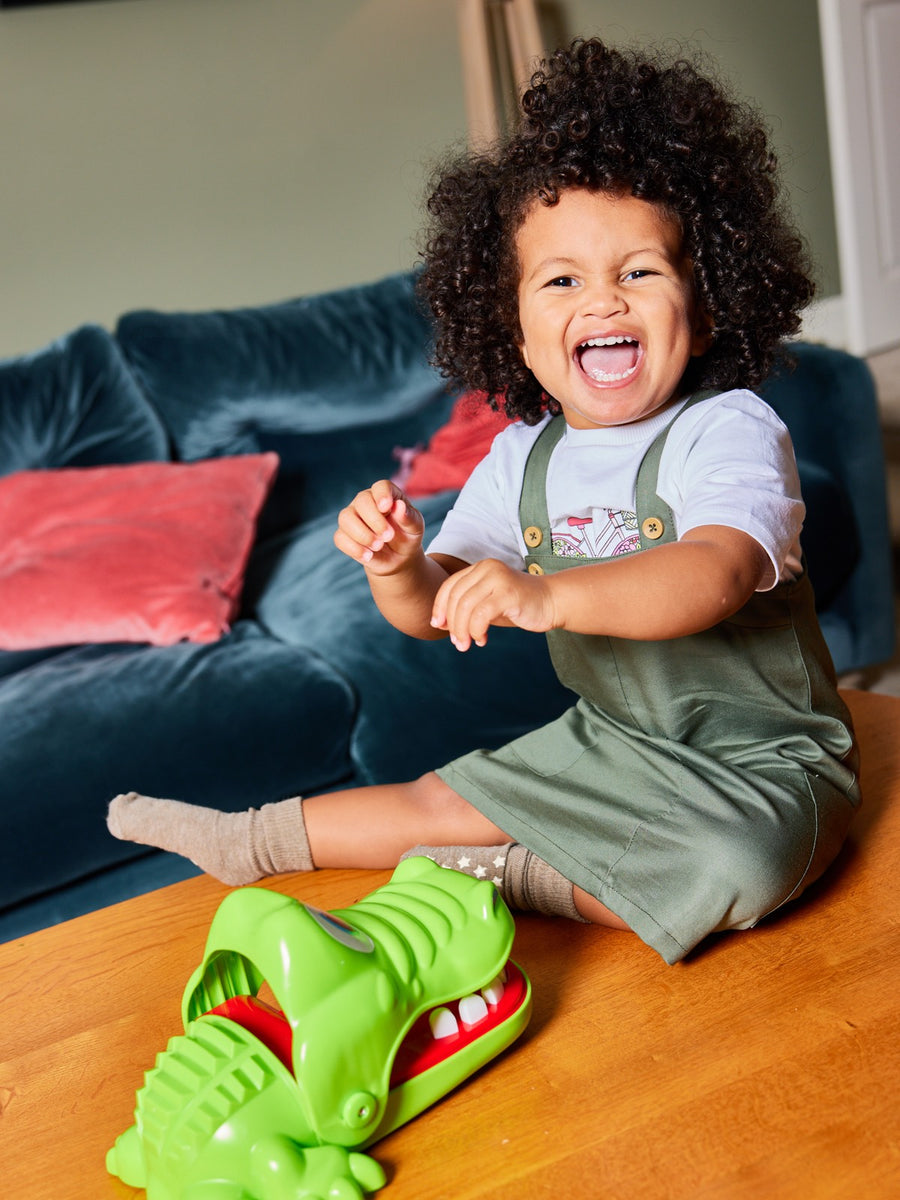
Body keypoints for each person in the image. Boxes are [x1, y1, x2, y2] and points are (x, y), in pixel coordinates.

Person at [108, 37, 859, 964]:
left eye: (640, 272)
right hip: (615, 745)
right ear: (515, 330)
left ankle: (498, 876)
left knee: (747, 862)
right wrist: (399, 568)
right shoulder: (520, 460)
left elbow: (712, 574)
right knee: (440, 797)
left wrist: (545, 595)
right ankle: (247, 840)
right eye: (563, 280)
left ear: (704, 311)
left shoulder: (729, 431)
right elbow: (432, 613)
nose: (604, 300)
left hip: (759, 768)